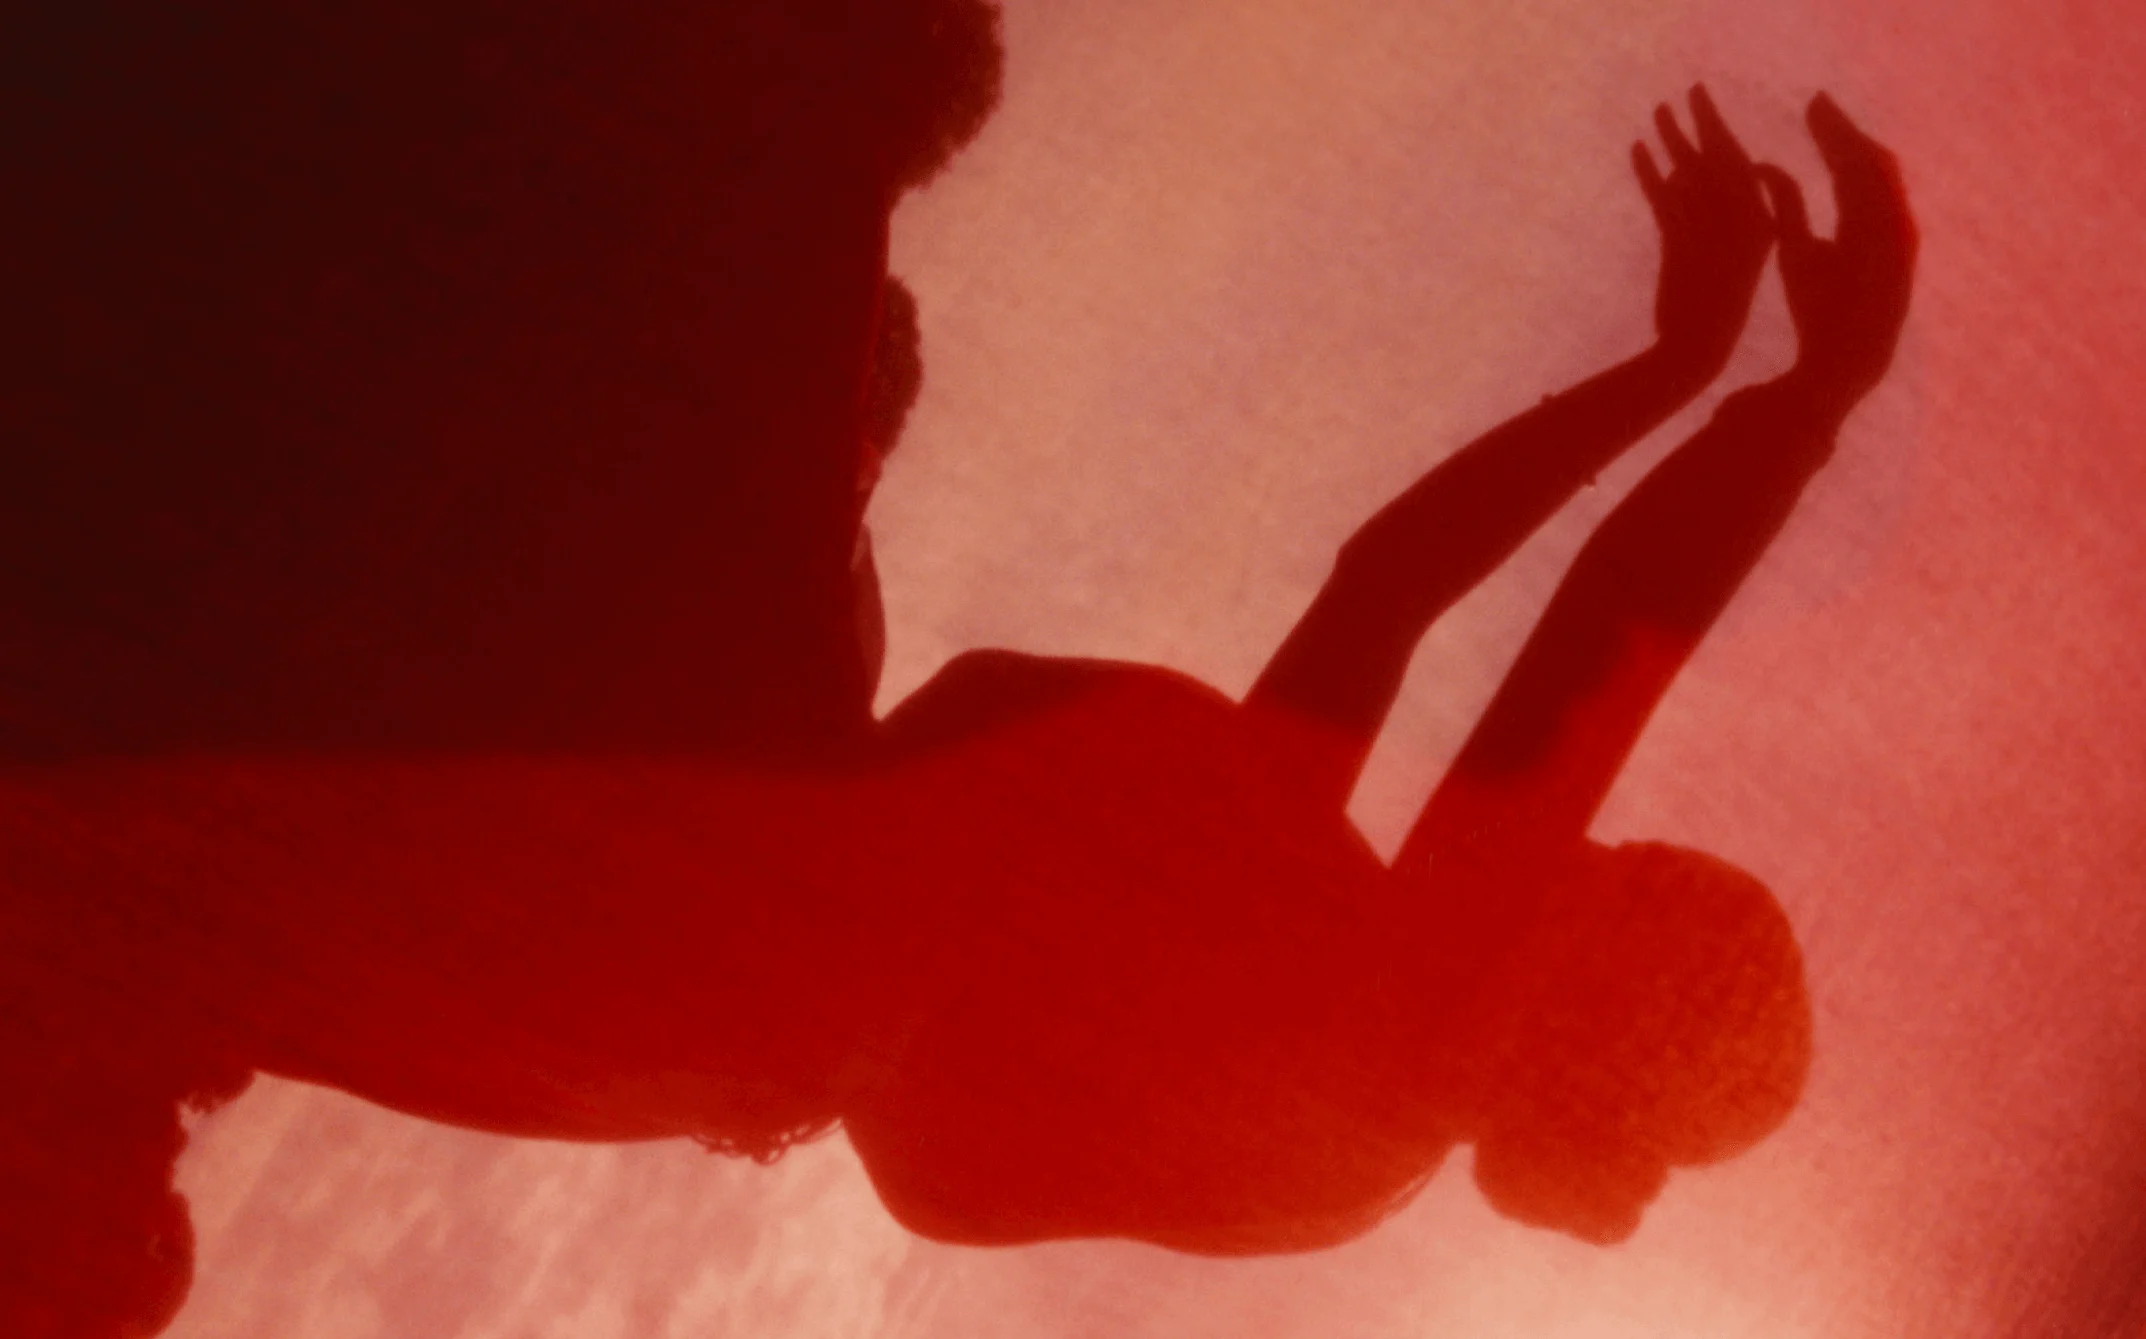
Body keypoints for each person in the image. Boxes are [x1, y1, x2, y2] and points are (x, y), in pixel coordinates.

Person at [839, 89, 1916, 1254]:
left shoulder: (1379, 1056)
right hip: (809, 793)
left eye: (1620, 882)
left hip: (767, 813)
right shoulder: (1341, 981)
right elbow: (1386, 590)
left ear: (1593, 1017)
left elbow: (1592, 657)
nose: (1585, 844)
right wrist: (1682, 369)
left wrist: (1810, 396)